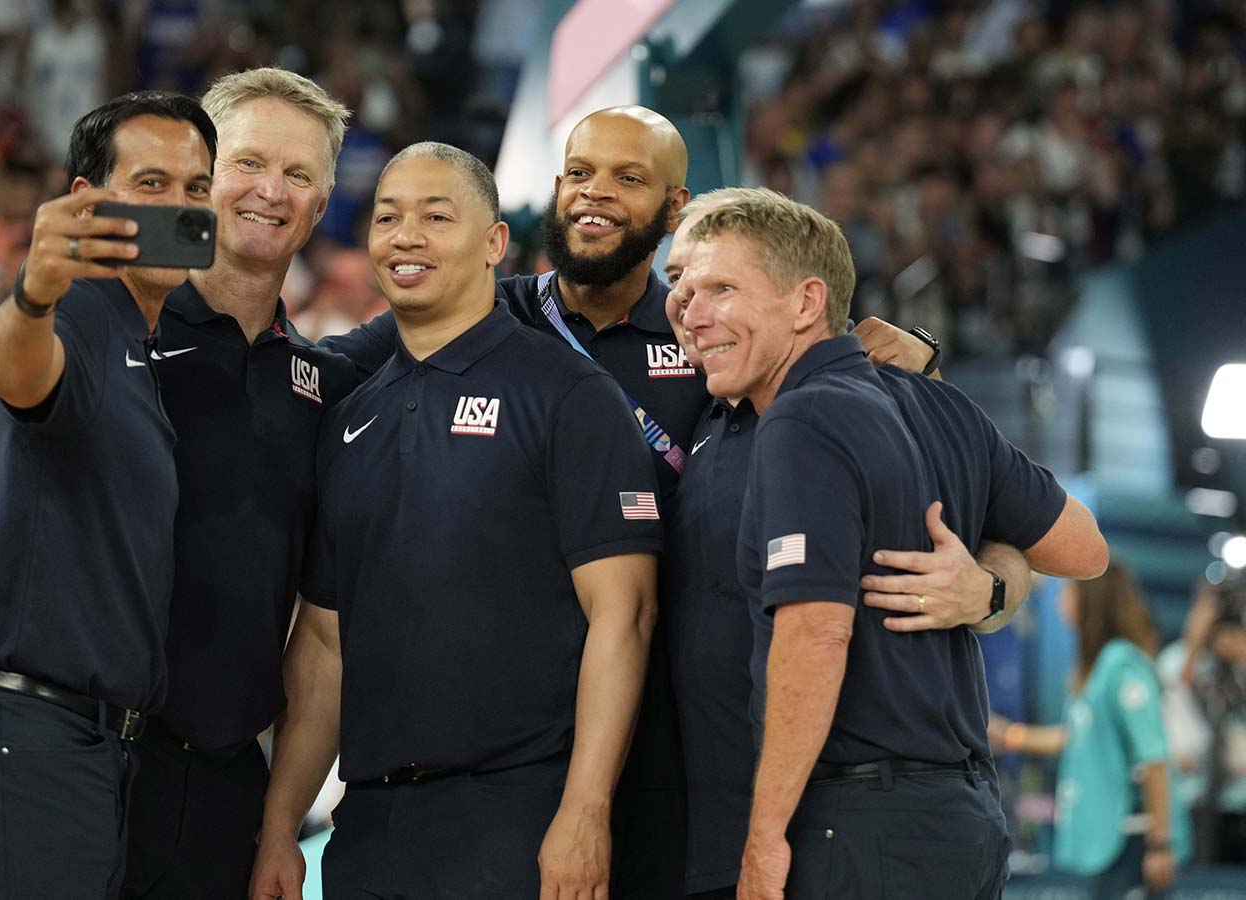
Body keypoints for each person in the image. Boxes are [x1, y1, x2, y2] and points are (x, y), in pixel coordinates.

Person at [320, 107, 945, 897]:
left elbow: (872, 388)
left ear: (675, 207)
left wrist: (990, 582)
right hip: (548, 719)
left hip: (700, 708)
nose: (596, 194)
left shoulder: (709, 325)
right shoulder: (488, 311)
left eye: (628, 178)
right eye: (580, 173)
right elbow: (309, 375)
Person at [0, 68, 358, 899]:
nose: (268, 193)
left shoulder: (321, 384)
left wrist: (280, 820)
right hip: (73, 747)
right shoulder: (94, 317)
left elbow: (318, 632)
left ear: (320, 205)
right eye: (246, 164)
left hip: (210, 783)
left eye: (299, 175)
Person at [668, 192, 1109, 900]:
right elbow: (1087, 549)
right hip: (955, 817)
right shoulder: (936, 402)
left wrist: (989, 588)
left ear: (806, 301)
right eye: (680, 287)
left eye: (719, 286)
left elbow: (814, 634)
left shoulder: (802, 412)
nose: (690, 310)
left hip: (850, 824)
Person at [249, 142, 660, 899]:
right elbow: (322, 644)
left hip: (519, 821)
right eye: (388, 217)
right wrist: (280, 828)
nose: (406, 236)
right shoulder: (348, 421)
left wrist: (585, 810)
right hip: (367, 830)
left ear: (494, 244)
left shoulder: (569, 393)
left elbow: (625, 614)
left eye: (436, 216)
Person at [0, 90, 216, 900]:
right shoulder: (72, 315)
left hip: (64, 745)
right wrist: (32, 296)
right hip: (19, 740)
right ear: (85, 201)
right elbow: (27, 372)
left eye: (195, 189)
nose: (179, 205)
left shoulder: (133, 339)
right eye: (151, 184)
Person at [990, 562, 1191, 897]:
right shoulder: (1093, 670)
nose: (1060, 601)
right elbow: (1077, 737)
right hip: (1108, 843)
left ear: (1092, 598)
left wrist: (1160, 845)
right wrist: (1008, 735)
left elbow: (1154, 757)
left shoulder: (1122, 664)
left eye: (1069, 591)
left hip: (1133, 840)